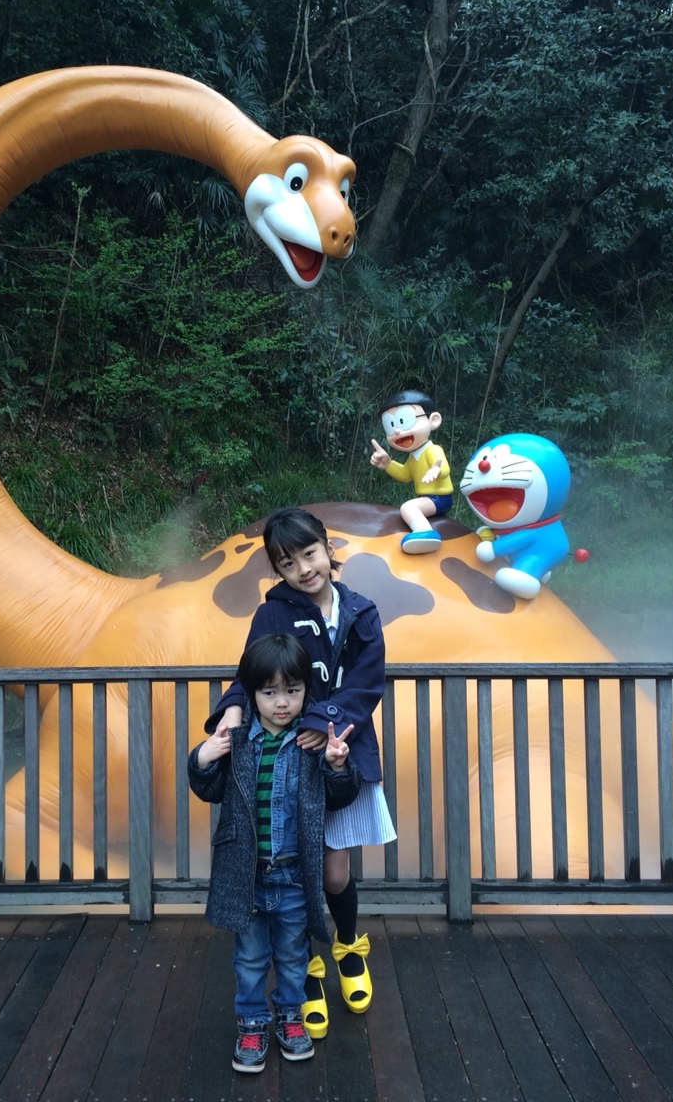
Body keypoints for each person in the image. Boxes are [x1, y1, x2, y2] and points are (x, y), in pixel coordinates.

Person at [207, 506, 394, 1038]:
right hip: (288, 759)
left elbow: (366, 684)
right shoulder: (273, 613)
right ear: (278, 569)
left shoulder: (361, 612)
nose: (303, 570)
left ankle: (347, 947)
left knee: (332, 874)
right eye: (287, 563)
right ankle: (306, 970)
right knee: (297, 872)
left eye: (309, 554)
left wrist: (322, 720)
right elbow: (249, 673)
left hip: (338, 752)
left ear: (327, 548)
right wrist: (232, 711)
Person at [188, 632, 361, 1074]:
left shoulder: (311, 740)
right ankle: (251, 1022)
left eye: (292, 691)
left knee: (292, 954)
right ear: (251, 693)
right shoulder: (239, 739)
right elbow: (208, 788)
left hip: (294, 874)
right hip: (247, 874)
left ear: (306, 690)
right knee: (248, 957)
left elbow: (340, 795)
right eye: (269, 693)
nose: (282, 703)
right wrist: (204, 756)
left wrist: (339, 765)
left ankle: (290, 1016)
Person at [369, 389, 453, 553]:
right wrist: (388, 464)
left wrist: (436, 469)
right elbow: (405, 475)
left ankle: (425, 532)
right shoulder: (413, 456)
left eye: (404, 420)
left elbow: (443, 466)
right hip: (428, 498)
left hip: (440, 498)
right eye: (390, 425)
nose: (397, 431)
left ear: (433, 420)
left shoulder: (432, 450)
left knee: (408, 508)